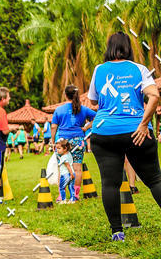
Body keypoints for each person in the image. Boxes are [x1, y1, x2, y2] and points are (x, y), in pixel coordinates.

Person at [88, 31, 161, 241]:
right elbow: (154, 96)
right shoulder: (139, 69)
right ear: (127, 47)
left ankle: (117, 231)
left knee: (110, 183)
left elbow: (93, 101)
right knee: (155, 179)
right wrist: (144, 124)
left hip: (103, 132)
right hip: (135, 132)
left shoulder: (99, 70)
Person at [50, 85, 95, 201]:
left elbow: (54, 126)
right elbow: (97, 116)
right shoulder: (83, 109)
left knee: (63, 168)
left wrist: (52, 140)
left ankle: (62, 195)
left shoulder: (59, 110)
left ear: (65, 95)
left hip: (63, 142)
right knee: (77, 169)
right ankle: (75, 195)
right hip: (78, 141)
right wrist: (86, 128)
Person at [55, 138, 75, 203]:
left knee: (61, 188)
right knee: (71, 186)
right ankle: (72, 199)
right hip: (72, 173)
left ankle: (63, 200)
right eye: (57, 148)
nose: (57, 150)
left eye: (59, 148)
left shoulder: (63, 157)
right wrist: (72, 173)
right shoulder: (69, 154)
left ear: (65, 148)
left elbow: (68, 166)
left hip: (66, 174)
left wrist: (71, 174)